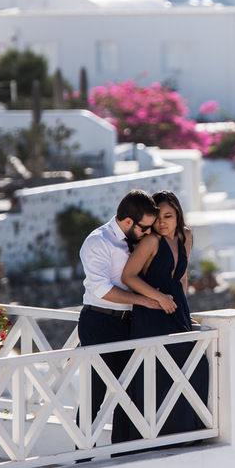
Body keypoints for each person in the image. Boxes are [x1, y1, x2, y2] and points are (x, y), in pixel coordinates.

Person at [77, 189, 162, 445]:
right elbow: (101, 290)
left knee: (130, 391)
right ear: (128, 222)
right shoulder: (98, 242)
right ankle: (83, 453)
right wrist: (144, 300)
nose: (148, 233)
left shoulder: (133, 240)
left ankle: (123, 450)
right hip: (100, 322)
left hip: (130, 324)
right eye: (145, 228)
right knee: (95, 393)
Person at [122, 190, 208, 437]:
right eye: (158, 216)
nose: (162, 222)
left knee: (194, 365)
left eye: (168, 216)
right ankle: (160, 434)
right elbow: (127, 276)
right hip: (152, 314)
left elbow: (181, 277)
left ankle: (189, 429)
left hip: (176, 312)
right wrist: (158, 297)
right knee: (158, 372)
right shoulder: (151, 242)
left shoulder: (185, 236)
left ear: (178, 215)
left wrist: (185, 311)